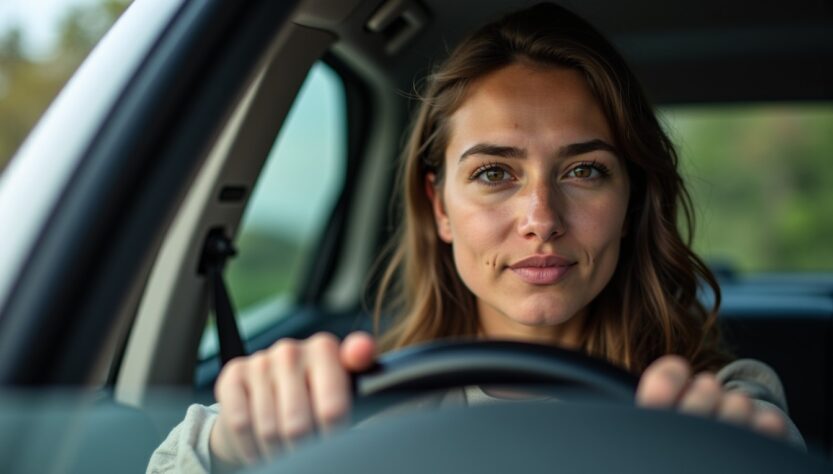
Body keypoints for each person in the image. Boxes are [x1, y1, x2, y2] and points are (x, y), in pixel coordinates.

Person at [148, 3, 804, 472]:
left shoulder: (720, 403)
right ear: (438, 207)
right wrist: (233, 442)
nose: (540, 217)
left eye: (584, 170)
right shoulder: (361, 406)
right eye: (494, 172)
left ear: (630, 200)